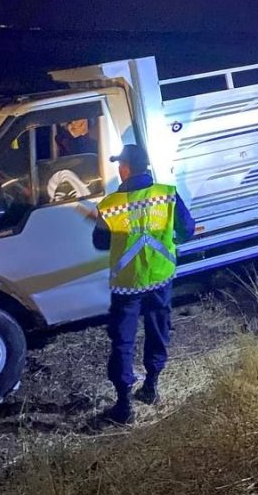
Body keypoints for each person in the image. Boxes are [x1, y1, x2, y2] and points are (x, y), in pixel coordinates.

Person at [92, 144, 195, 424]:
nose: (117, 168)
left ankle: (124, 405)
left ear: (126, 167)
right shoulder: (167, 194)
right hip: (161, 277)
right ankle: (151, 386)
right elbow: (187, 229)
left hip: (128, 283)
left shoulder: (110, 206)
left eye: (119, 164)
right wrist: (171, 244)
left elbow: (100, 243)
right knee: (158, 329)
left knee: (123, 340)